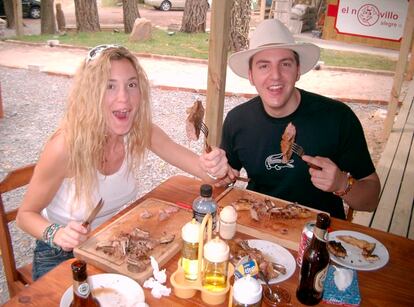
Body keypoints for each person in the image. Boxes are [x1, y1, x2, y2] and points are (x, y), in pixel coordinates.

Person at [16, 45, 229, 280]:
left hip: (114, 242)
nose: (124, 98)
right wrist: (56, 234)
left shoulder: (140, 130)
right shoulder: (64, 147)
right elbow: (25, 215)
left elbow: (206, 174)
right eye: (109, 86)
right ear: (89, 93)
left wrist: (215, 166)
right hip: (61, 255)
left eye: (131, 84)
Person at [220, 19, 380, 219]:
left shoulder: (338, 118)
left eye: (285, 64)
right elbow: (223, 178)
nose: (275, 76)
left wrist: (342, 184)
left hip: (319, 234)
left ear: (298, 71)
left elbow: (372, 199)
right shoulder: (238, 120)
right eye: (263, 66)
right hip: (261, 224)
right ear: (251, 76)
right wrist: (218, 173)